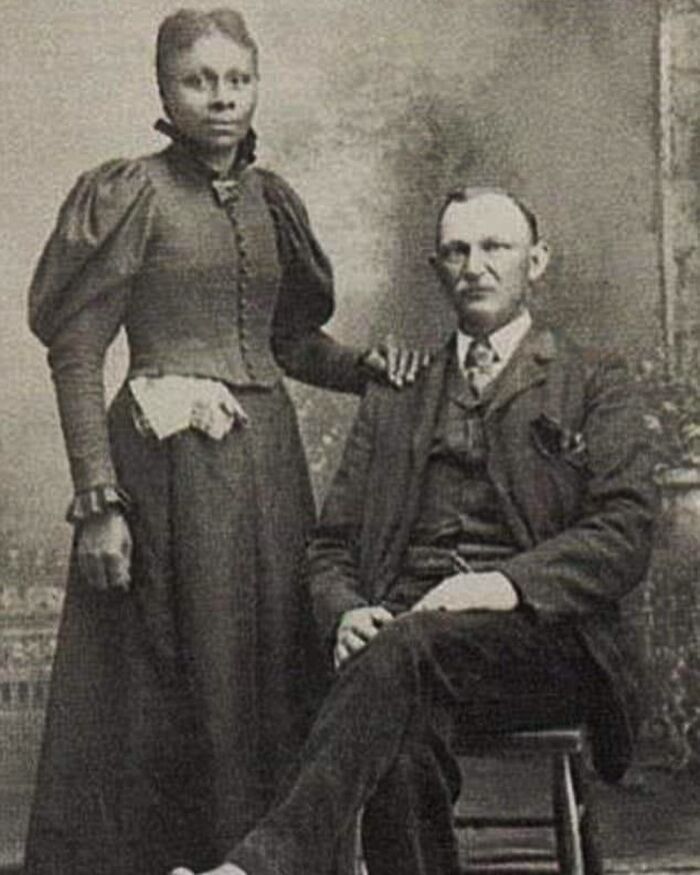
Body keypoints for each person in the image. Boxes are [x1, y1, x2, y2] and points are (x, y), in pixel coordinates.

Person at [24, 9, 426, 875]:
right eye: (198, 82)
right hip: (168, 475)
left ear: (255, 85)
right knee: (172, 678)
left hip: (268, 471)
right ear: (164, 90)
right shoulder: (132, 192)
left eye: (235, 81)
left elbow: (285, 343)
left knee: (277, 663)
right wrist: (99, 502)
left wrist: (364, 369)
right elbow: (78, 348)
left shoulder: (272, 199)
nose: (219, 99)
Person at [171, 186, 658, 875]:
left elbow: (625, 532)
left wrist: (499, 585)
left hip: (548, 645)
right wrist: (343, 612)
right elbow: (332, 545)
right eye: (457, 250)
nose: (475, 266)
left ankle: (263, 864)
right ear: (437, 267)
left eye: (496, 247)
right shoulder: (399, 392)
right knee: (397, 741)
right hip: (411, 651)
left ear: (537, 260)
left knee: (403, 654)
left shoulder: (592, 379)